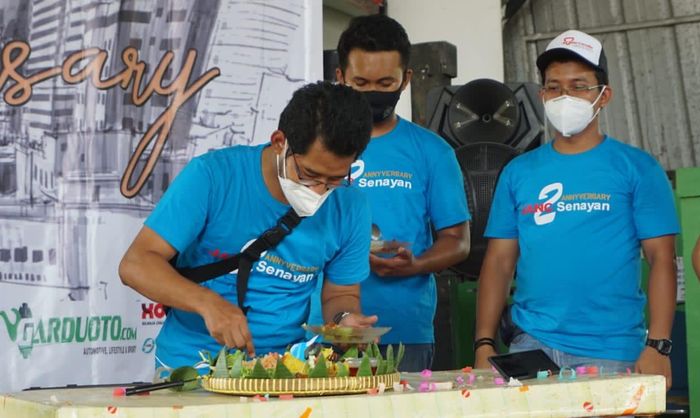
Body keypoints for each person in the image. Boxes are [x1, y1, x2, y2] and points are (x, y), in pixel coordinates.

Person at [119, 82, 378, 370]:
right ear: (280, 141)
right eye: (309, 175)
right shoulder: (213, 177)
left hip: (285, 371)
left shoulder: (351, 206)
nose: (319, 191)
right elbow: (136, 264)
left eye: (334, 180)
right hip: (192, 369)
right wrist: (208, 304)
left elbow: (340, 293)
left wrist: (345, 320)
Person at [474, 29, 678, 390]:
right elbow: (499, 262)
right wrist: (484, 344)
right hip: (530, 347)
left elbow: (661, 259)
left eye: (579, 85)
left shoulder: (637, 168)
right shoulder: (519, 172)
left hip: (613, 351)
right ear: (542, 95)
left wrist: (658, 346)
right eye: (554, 87)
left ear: (604, 96)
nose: (564, 96)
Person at [310, 14, 471, 372]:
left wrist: (416, 264)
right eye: (360, 82)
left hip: (403, 331)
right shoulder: (312, 146)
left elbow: (458, 241)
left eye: (385, 82)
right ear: (339, 77)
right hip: (324, 329)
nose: (373, 93)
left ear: (406, 80)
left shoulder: (432, 151)